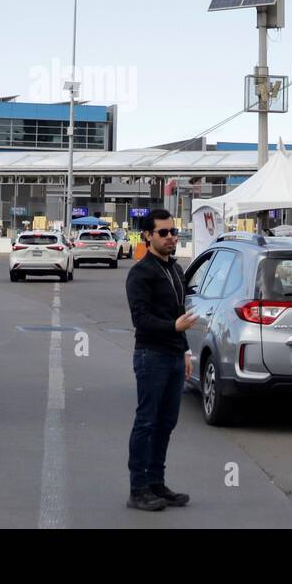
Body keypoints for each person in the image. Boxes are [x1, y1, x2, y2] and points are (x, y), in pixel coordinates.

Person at [125, 208, 197, 512]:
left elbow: (178, 314)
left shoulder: (176, 271)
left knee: (166, 423)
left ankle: (156, 483)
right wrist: (173, 329)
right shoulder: (140, 273)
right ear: (148, 236)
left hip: (173, 355)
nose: (171, 238)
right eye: (163, 233)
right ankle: (138, 489)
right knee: (147, 421)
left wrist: (185, 350)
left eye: (174, 232)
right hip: (150, 355)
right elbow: (140, 320)